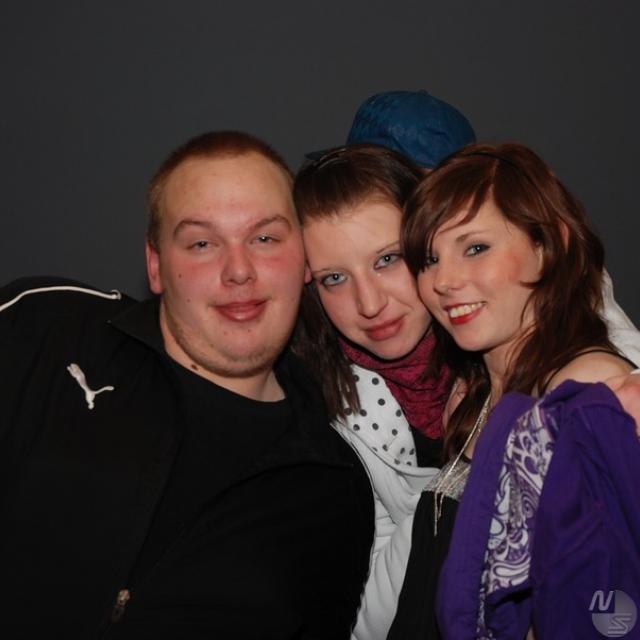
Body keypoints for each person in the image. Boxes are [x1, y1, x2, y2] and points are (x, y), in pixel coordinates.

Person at [0, 131, 374, 639]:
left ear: (304, 262)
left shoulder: (333, 487)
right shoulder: (45, 329)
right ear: (156, 266)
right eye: (202, 243)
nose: (238, 271)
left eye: (265, 238)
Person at [393, 142, 639, 638]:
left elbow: (607, 613)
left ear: (549, 247)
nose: (444, 281)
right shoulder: (472, 398)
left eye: (475, 248)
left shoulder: (585, 397)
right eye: (429, 259)